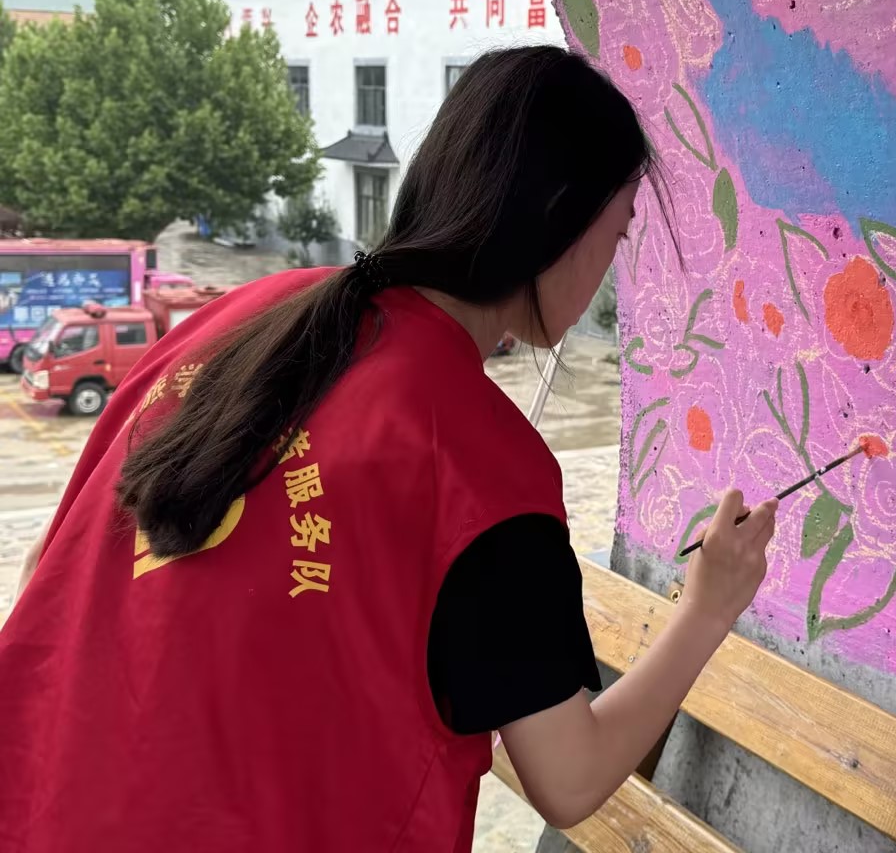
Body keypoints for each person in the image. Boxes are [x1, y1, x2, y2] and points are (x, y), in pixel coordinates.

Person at [0, 45, 777, 852]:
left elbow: (45, 570)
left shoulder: (241, 320)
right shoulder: (481, 466)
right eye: (619, 234)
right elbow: (569, 777)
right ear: (560, 219)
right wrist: (708, 608)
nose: (613, 267)